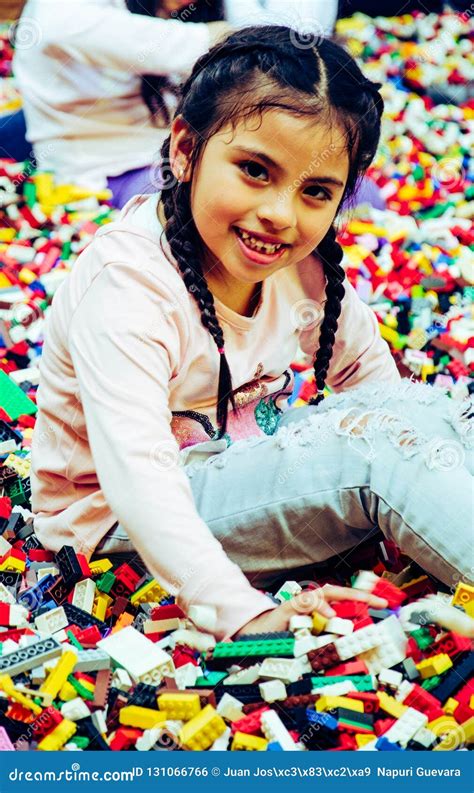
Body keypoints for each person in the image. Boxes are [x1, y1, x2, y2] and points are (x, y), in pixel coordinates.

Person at [30, 26, 473, 641]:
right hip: (117, 533)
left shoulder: (303, 271)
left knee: (426, 418)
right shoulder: (129, 285)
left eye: (315, 191)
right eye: (255, 170)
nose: (280, 214)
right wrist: (243, 613)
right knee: (381, 448)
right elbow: (138, 475)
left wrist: (423, 439)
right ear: (186, 149)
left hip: (231, 476)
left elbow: (380, 393)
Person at [12, 0, 229, 203]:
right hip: (101, 176)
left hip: (160, 156)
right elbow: (167, 45)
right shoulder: (57, 9)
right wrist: (230, 36)